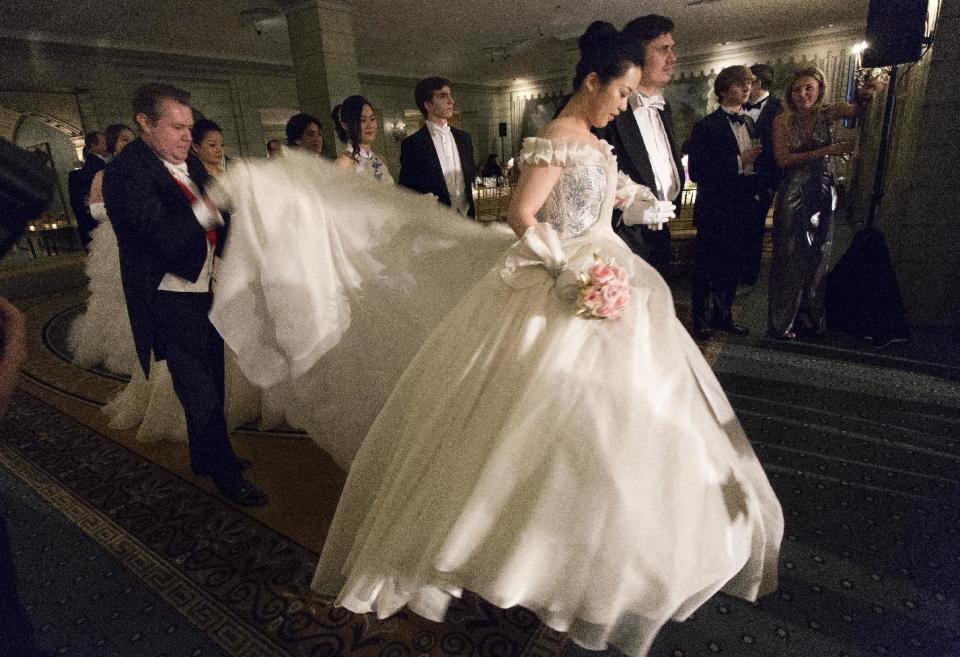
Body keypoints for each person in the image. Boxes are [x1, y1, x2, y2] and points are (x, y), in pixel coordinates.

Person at [207, 22, 783, 657]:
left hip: (611, 277)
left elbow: (594, 199)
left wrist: (633, 196)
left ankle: (599, 538)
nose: (624, 104)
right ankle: (512, 546)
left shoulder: (591, 140)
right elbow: (521, 218)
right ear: (592, 82)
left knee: (620, 416)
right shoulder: (551, 143)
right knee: (530, 419)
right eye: (619, 92)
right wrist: (569, 272)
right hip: (562, 285)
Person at [103, 83, 266, 507]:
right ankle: (226, 472)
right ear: (144, 123)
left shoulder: (188, 163)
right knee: (200, 391)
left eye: (189, 127)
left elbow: (217, 221)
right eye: (176, 127)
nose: (187, 137)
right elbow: (160, 236)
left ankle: (204, 456)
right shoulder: (127, 172)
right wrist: (210, 205)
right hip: (167, 298)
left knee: (213, 377)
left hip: (203, 290)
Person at [767, 67, 865, 340]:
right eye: (797, 89)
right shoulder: (782, 121)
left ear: (820, 89)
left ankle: (810, 318)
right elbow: (783, 160)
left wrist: (864, 95)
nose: (802, 94)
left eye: (808, 88)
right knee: (788, 254)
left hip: (823, 188)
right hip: (793, 190)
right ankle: (781, 322)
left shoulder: (828, 113)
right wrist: (827, 151)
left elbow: (855, 111)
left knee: (820, 252)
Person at [597, 14, 684, 277]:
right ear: (635, 54)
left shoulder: (663, 107)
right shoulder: (609, 111)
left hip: (660, 231)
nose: (673, 57)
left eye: (672, 49)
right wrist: (626, 214)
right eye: (663, 49)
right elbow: (590, 175)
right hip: (621, 237)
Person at [686, 65, 762, 341]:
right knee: (707, 268)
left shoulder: (750, 122)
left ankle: (724, 316)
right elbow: (697, 172)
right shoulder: (706, 126)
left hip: (742, 207)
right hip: (715, 209)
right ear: (723, 89)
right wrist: (741, 161)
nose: (746, 89)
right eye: (740, 84)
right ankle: (701, 321)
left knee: (732, 267)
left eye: (749, 84)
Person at [68, 123, 138, 374]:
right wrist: (128, 212)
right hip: (115, 238)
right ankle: (123, 348)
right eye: (123, 140)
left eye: (131, 138)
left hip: (143, 237)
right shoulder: (104, 175)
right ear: (113, 146)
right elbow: (96, 210)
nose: (128, 143)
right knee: (118, 294)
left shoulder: (145, 170)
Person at [398, 76, 477, 217]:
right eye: (442, 96)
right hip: (435, 221)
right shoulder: (412, 144)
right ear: (428, 105)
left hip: (467, 217)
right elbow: (407, 190)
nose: (451, 101)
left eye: (450, 95)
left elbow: (470, 177)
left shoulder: (465, 139)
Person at [740, 63, 785, 287]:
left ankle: (748, 276)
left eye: (748, 82)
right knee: (739, 225)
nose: (744, 87)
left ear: (758, 83)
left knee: (754, 227)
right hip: (740, 178)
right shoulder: (739, 108)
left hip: (764, 179)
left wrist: (769, 184)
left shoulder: (778, 109)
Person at [332, 96, 392, 183]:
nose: (370, 125)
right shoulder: (345, 163)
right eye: (362, 120)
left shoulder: (381, 160)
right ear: (345, 125)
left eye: (372, 119)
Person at [68, 130, 109, 250]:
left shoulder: (97, 166)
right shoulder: (97, 168)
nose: (108, 145)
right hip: (101, 225)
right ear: (93, 145)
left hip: (89, 227)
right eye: (104, 142)